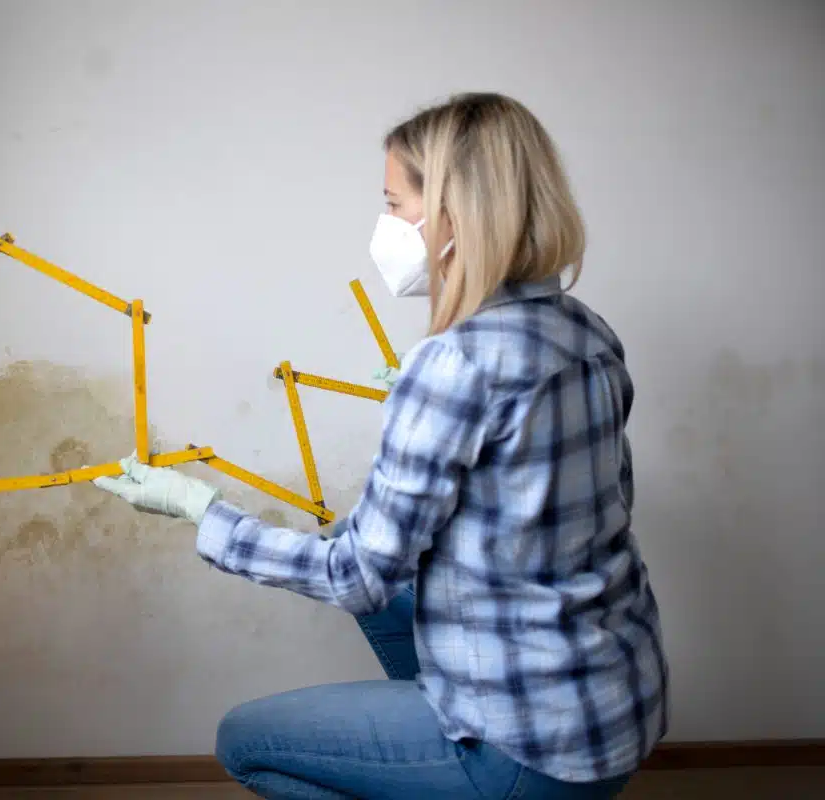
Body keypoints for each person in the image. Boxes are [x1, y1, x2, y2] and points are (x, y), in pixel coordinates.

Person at [92, 92, 668, 799]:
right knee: (380, 573)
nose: (385, 224)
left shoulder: (455, 363)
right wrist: (451, 417)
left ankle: (465, 765)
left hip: (527, 749)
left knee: (245, 742)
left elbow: (355, 575)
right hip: (614, 711)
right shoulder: (585, 330)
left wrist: (204, 512)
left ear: (454, 215)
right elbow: (578, 513)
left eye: (394, 204)